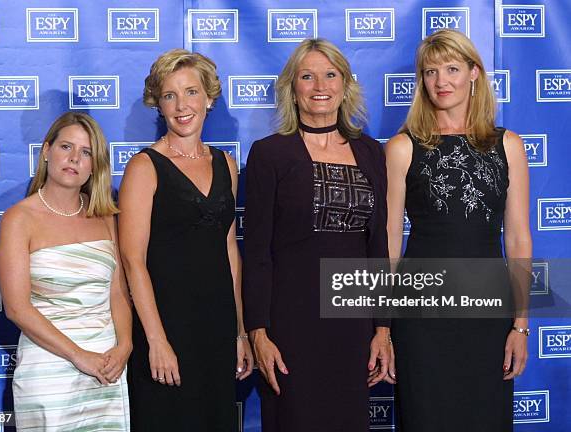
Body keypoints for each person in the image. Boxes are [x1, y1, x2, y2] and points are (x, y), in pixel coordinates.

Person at [242, 38, 392, 432]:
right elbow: (256, 252)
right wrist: (257, 331)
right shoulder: (269, 154)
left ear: (345, 85)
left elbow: (377, 246)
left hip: (352, 326)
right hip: (290, 324)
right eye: (307, 76)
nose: (319, 85)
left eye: (330, 75)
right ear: (293, 87)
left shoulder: (371, 152)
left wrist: (382, 328)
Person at [386, 29, 531, 431]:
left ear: (474, 74)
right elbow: (388, 244)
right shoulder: (402, 147)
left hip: (488, 312)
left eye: (452, 68)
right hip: (421, 315)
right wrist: (383, 326)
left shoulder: (509, 146)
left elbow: (518, 239)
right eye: (431, 72)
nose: (441, 81)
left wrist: (520, 325)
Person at [118, 48, 253, 431]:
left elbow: (229, 251)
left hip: (216, 327)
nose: (181, 105)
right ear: (158, 105)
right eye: (169, 95)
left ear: (209, 97)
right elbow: (133, 261)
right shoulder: (144, 167)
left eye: (191, 92)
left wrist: (239, 332)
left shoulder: (226, 164)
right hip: (166, 326)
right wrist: (157, 340)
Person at [0, 112, 132, 430]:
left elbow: (118, 293)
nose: (74, 158)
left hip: (107, 369)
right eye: (66, 147)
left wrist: (125, 345)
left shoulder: (106, 217)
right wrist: (77, 355)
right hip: (49, 371)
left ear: (94, 164)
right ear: (46, 151)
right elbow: (17, 308)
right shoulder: (19, 219)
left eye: (85, 152)